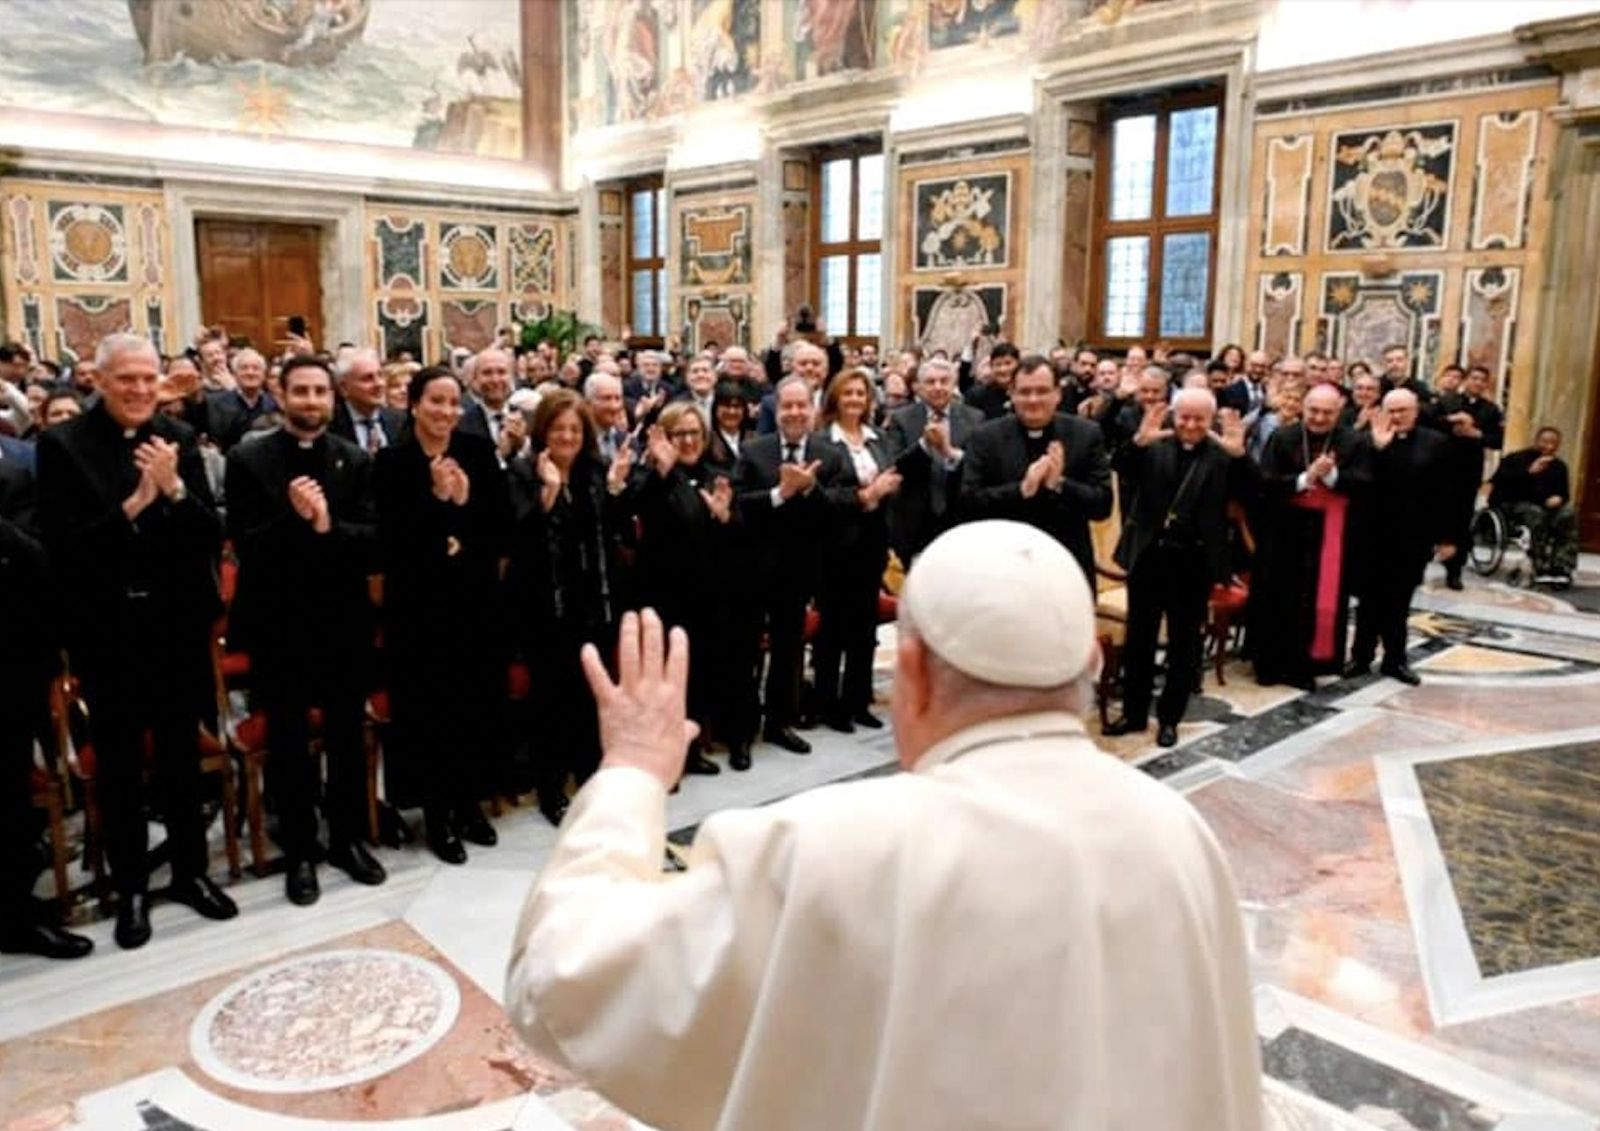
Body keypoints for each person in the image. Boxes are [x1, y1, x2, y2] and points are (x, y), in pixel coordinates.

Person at [505, 523, 1263, 1131]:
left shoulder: (824, 849)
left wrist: (634, 770)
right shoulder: (1178, 833)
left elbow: (561, 980)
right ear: (1091, 662)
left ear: (915, 672)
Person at [36, 334, 236, 949]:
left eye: (150, 379)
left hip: (175, 626)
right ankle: (131, 891)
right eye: (128, 379)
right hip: (109, 632)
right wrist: (135, 505)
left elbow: (210, 534)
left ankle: (190, 874)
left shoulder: (174, 439)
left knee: (179, 758)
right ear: (98, 379)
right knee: (120, 769)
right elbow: (61, 552)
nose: (142, 390)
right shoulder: (62, 446)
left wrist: (173, 491)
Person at [225, 357, 386, 904]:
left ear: (332, 397)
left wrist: (324, 525)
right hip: (279, 624)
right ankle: (299, 852)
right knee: (289, 743)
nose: (312, 400)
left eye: (320, 391)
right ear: (282, 394)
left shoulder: (354, 459)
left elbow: (370, 540)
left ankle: (347, 839)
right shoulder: (247, 459)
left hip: (341, 621)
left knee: (345, 737)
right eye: (302, 391)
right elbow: (245, 545)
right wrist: (295, 520)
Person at [377, 366, 514, 861]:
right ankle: (437, 814)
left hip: (473, 602)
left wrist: (460, 516)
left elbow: (500, 526)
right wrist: (439, 506)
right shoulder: (391, 463)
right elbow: (390, 542)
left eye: (454, 402)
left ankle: (470, 802)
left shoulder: (476, 452)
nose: (446, 412)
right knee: (431, 712)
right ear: (414, 405)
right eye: (436, 401)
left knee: (475, 705)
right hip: (419, 610)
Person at [1105, 390, 1249, 746]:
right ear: (1174, 415)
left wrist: (1241, 456)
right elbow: (1119, 465)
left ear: (1210, 420)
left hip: (1195, 561)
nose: (1190, 425)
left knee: (1184, 644)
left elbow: (1254, 491)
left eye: (1199, 418)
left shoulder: (1223, 455)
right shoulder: (1154, 445)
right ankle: (1135, 714)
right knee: (1141, 638)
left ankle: (1170, 718)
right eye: (1184, 416)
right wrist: (1138, 442)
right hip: (1149, 557)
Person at [509, 388, 625, 825]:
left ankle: (590, 776)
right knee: (551, 701)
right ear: (543, 431)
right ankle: (551, 787)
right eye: (558, 429)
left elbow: (611, 534)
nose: (567, 436)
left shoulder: (594, 470)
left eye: (575, 429)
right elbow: (518, 537)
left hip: (592, 602)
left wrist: (615, 490)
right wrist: (550, 494)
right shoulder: (523, 473)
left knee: (590, 695)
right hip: (545, 606)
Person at [733, 376, 854, 755]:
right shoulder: (754, 451)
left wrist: (808, 488)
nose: (795, 412)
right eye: (788, 406)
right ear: (776, 409)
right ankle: (740, 733)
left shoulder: (830, 455)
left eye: (802, 405)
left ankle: (779, 723)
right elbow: (737, 506)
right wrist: (780, 494)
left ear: (813, 408)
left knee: (788, 651)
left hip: (801, 571)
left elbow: (839, 511)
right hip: (753, 570)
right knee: (747, 653)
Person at [0, 510, 94, 959]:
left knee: (12, 805)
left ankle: (15, 916)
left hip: (13, 671)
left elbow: (40, 563)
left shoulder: (12, 482)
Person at [632, 403, 738, 774]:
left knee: (698, 677)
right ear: (665, 437)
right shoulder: (652, 475)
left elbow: (731, 539)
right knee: (667, 679)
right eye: (681, 434)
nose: (689, 441)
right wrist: (661, 470)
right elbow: (634, 508)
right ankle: (664, 755)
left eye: (695, 433)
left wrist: (725, 519)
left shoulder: (715, 475)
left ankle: (689, 750)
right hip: (665, 595)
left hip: (706, 595)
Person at [1250, 385, 1367, 688]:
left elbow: (1366, 483)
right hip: (1284, 529)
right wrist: (1305, 479)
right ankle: (1271, 664)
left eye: (1327, 412)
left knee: (1317, 600)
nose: (1318, 417)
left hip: (1331, 531)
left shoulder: (1353, 441)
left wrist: (1331, 477)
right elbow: (1264, 482)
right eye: (1313, 410)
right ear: (1304, 407)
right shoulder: (1283, 437)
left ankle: (1309, 664)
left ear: (1338, 412)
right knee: (1279, 595)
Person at [961, 355, 1113, 584]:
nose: (1033, 400)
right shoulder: (985, 436)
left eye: (1042, 391)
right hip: (1003, 567)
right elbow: (967, 504)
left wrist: (1059, 484)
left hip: (1066, 566)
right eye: (1024, 392)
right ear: (1011, 394)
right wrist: (1020, 490)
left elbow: (1102, 506)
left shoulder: (1085, 434)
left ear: (1057, 394)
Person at [812, 370, 902, 733]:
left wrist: (886, 491)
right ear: (835, 399)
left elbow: (891, 478)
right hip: (835, 546)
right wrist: (866, 496)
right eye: (847, 393)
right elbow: (821, 498)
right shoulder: (822, 442)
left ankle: (858, 700)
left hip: (872, 543)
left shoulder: (877, 439)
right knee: (834, 627)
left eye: (860, 394)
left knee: (864, 629)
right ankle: (828, 704)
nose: (853, 399)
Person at [1346, 389, 1454, 685]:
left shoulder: (1436, 444)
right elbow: (1362, 483)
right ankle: (1361, 657)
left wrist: (1447, 537)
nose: (1396, 417)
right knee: (1367, 601)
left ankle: (1395, 660)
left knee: (1398, 603)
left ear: (1416, 411)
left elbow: (1446, 494)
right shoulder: (1365, 442)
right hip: (1370, 534)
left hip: (1411, 537)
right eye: (1390, 410)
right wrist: (1381, 449)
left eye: (1402, 410)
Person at [884, 357, 983, 565]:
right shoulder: (901, 419)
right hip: (913, 521)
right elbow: (893, 467)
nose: (938, 387)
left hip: (958, 518)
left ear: (954, 384)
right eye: (930, 382)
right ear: (918, 387)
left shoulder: (975, 419)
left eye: (944, 381)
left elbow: (979, 468)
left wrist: (949, 452)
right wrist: (924, 446)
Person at [1427, 365, 1503, 590]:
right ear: (1466, 380)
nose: (1477, 383)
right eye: (1474, 378)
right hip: (1440, 468)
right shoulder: (1447, 401)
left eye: (1482, 380)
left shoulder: (1491, 410)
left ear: (1486, 384)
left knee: (1460, 520)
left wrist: (1476, 434)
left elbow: (1498, 440)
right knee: (1432, 515)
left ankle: (1454, 570)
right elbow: (1428, 422)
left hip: (1467, 473)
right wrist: (1451, 420)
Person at [1490, 426, 1577, 583]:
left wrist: (1559, 498)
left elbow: (1564, 493)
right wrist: (1528, 472)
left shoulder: (1559, 466)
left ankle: (1562, 566)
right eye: (1545, 442)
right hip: (1517, 504)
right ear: (1536, 441)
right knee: (1535, 514)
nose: (1549, 446)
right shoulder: (1516, 459)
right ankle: (1539, 563)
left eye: (1553, 443)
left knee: (1568, 514)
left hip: (1548, 506)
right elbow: (1499, 482)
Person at [331, 348, 408, 452]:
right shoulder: (329, 426)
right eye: (367, 379)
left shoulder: (401, 422)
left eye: (380, 375)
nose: (379, 384)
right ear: (344, 388)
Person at [206, 348, 279, 451]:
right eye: (244, 368)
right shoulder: (216, 404)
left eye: (256, 368)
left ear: (263, 375)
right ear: (234, 374)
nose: (250, 372)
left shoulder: (274, 403)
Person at [963, 340, 1018, 419]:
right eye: (998, 365)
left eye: (1008, 363)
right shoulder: (976, 396)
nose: (1003, 369)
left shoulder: (1027, 394)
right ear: (991, 367)